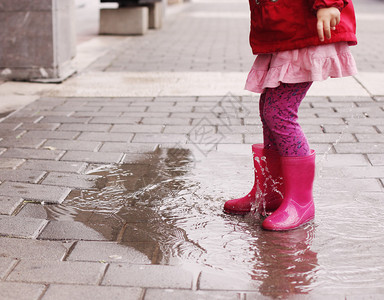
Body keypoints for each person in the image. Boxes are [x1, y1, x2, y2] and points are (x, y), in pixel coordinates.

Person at [224, 0, 357, 231]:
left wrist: (328, 3)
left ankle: (300, 202)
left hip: (305, 29)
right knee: (269, 109)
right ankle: (272, 192)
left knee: (279, 112)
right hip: (285, 31)